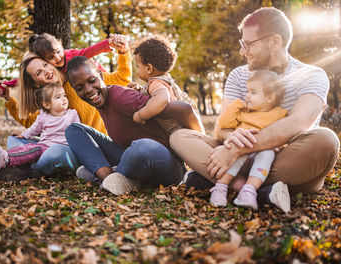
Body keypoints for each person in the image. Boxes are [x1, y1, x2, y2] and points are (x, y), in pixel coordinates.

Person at [169, 7, 339, 212]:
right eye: (242, 44)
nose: (242, 51)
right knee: (180, 137)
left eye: (248, 44)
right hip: (239, 158)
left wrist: (239, 149)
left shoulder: (311, 75)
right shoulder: (238, 76)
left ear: (275, 42)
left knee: (326, 141)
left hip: (286, 159)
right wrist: (232, 139)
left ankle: (223, 181)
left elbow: (297, 123)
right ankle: (260, 191)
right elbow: (222, 129)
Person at [0, 37, 132, 178]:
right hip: (56, 145)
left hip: (88, 147)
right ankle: (27, 165)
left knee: (56, 153)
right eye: (38, 73)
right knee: (14, 140)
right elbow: (34, 123)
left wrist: (123, 53)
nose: (46, 71)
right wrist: (8, 99)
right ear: (35, 83)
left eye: (45, 65)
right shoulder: (49, 97)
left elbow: (122, 78)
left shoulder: (80, 78)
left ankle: (28, 168)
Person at [64, 56, 200, 195]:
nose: (87, 90)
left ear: (101, 75)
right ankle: (108, 176)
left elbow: (185, 109)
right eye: (79, 88)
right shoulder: (101, 103)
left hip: (167, 165)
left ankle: (113, 173)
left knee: (143, 146)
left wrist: (200, 145)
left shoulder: (121, 97)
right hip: (133, 158)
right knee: (74, 129)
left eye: (91, 81)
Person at [0, 83, 80, 180]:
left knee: (32, 149)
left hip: (60, 149)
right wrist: (23, 135)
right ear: (47, 104)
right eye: (58, 97)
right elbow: (34, 129)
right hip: (43, 146)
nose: (64, 99)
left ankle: (1, 161)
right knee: (23, 145)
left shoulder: (72, 114)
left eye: (64, 95)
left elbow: (78, 133)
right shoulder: (44, 115)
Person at [210, 70, 288, 211]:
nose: (247, 96)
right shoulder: (243, 113)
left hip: (261, 158)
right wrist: (237, 105)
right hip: (239, 152)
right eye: (247, 91)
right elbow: (224, 124)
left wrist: (278, 144)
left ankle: (248, 191)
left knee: (268, 153)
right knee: (238, 147)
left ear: (270, 98)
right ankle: (220, 188)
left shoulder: (278, 114)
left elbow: (284, 133)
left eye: (253, 92)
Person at [0, 33, 126, 90]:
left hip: (100, 77)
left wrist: (109, 43)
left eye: (58, 51)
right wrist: (8, 83)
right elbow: (24, 79)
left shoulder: (72, 55)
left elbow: (90, 51)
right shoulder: (52, 71)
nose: (58, 58)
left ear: (61, 45)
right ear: (44, 60)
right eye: (51, 58)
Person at [130, 35, 204, 134]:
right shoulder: (165, 81)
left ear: (149, 68)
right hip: (188, 126)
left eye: (138, 67)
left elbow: (162, 99)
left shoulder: (155, 83)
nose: (137, 70)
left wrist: (140, 115)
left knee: (176, 140)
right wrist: (140, 89)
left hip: (179, 131)